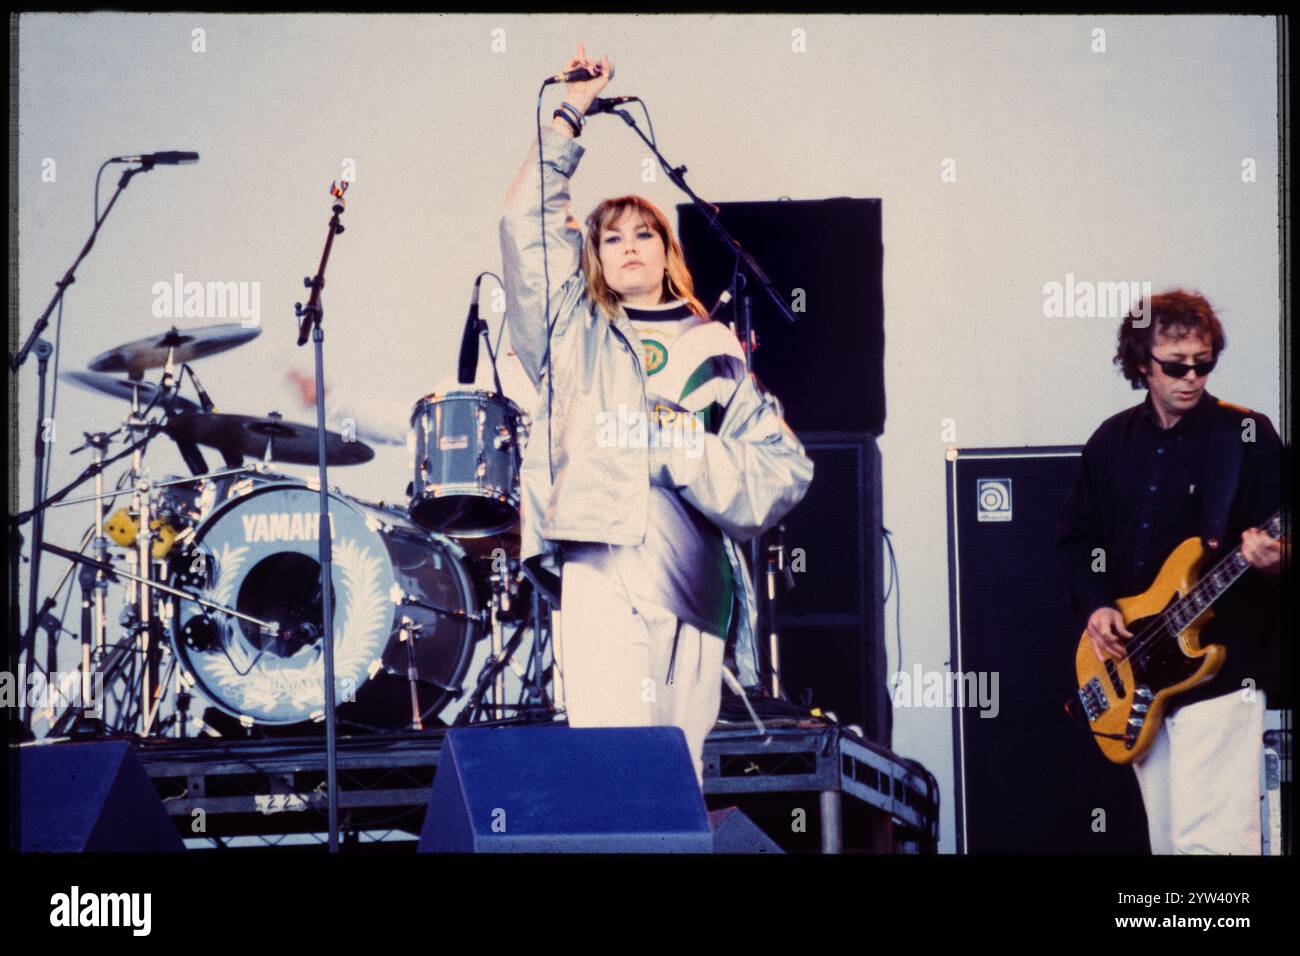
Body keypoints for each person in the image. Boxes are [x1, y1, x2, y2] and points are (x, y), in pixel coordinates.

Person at [500, 43, 814, 787]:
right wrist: (570, 115)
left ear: (668, 252)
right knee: (613, 768)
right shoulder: (569, 330)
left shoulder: (714, 345)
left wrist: (682, 451)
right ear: (594, 260)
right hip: (601, 558)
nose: (628, 245)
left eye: (644, 232)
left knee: (677, 776)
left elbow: (783, 471)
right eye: (610, 237)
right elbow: (523, 226)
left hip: (696, 577)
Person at [1057, 289, 1284, 855]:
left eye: (1203, 365)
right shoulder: (1110, 443)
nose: (1192, 377)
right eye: (1175, 365)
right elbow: (1078, 540)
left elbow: (1280, 542)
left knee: (1212, 845)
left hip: (1223, 672)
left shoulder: (1245, 437)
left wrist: (1275, 558)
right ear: (1140, 364)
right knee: (1167, 845)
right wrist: (1097, 605)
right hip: (1138, 674)